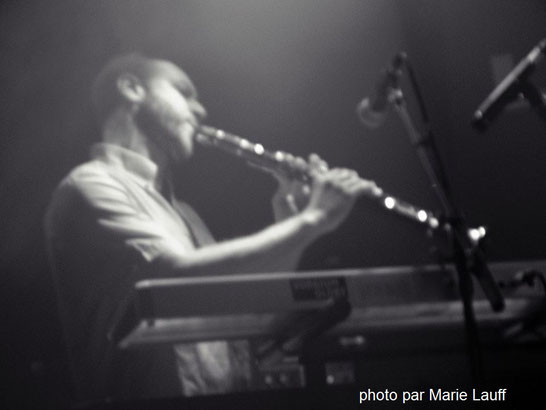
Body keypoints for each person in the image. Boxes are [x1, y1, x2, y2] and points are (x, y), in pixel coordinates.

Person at [44, 53, 378, 404]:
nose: (200, 109)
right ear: (131, 88)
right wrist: (311, 221)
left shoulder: (186, 215)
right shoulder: (89, 186)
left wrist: (288, 217)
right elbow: (175, 281)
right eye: (184, 92)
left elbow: (251, 310)